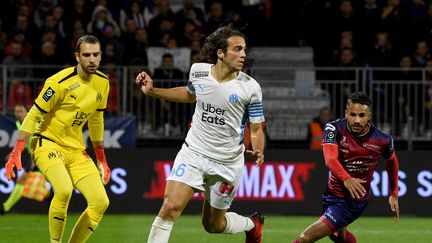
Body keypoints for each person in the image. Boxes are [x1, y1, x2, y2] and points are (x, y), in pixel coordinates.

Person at [135, 25, 266, 243]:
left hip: (227, 162)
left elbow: (256, 127)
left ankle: (252, 224)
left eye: (244, 49)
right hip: (194, 152)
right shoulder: (198, 71)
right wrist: (153, 91)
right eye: (237, 49)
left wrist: (258, 149)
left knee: (213, 225)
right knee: (170, 207)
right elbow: (189, 94)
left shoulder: (250, 88)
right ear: (220, 53)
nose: (243, 54)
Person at [4, 35, 111, 243]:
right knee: (63, 189)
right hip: (47, 143)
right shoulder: (58, 83)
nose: (92, 59)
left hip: (76, 149)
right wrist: (17, 149)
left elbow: (96, 120)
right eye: (86, 55)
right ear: (77, 57)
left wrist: (102, 159)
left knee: (100, 202)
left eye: (96, 55)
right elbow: (33, 114)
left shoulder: (103, 82)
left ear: (100, 56)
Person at [292, 92, 400, 243]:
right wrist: (346, 178)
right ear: (346, 113)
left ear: (369, 116)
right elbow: (330, 159)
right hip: (332, 194)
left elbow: (392, 161)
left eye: (362, 115)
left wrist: (394, 192)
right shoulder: (334, 128)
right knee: (337, 236)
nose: (356, 120)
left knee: (305, 239)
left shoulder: (382, 139)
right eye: (352, 114)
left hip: (352, 201)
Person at [1, 104, 50, 215]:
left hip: (41, 155)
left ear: (27, 112)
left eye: (20, 111)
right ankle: (50, 198)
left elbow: (39, 139)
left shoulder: (33, 123)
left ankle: (5, 208)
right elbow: (23, 142)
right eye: (16, 112)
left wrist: (35, 158)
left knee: (22, 181)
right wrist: (13, 153)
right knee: (30, 182)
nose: (18, 114)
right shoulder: (19, 123)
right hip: (35, 155)